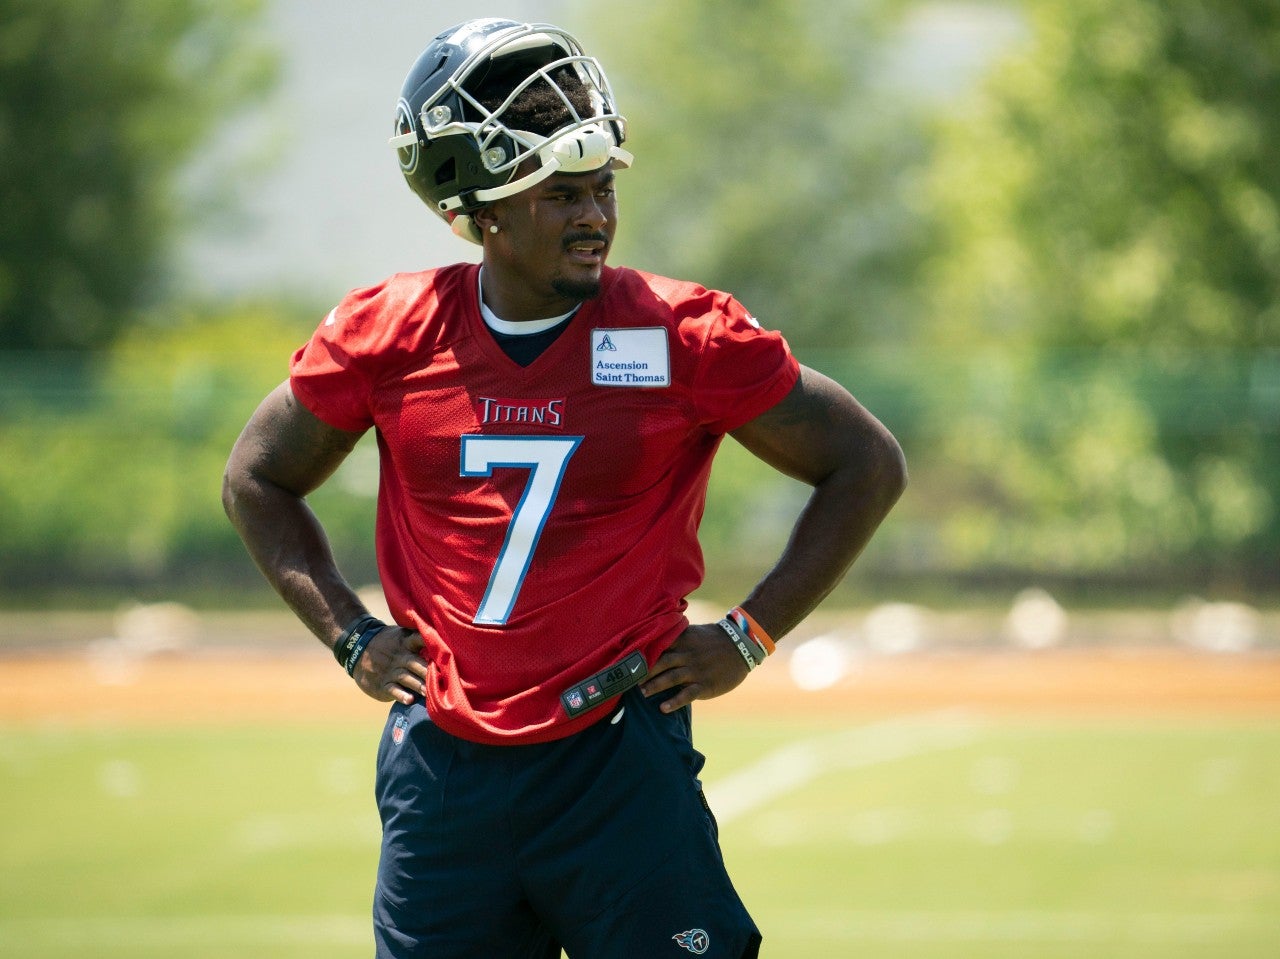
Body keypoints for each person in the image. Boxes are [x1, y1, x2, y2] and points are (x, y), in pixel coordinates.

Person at [222, 18, 906, 959]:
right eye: (561, 196)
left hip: (618, 753)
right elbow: (255, 477)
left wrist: (749, 633)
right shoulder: (390, 333)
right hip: (446, 768)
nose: (596, 217)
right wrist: (350, 635)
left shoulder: (682, 333)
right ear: (485, 212)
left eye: (602, 190)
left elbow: (866, 462)